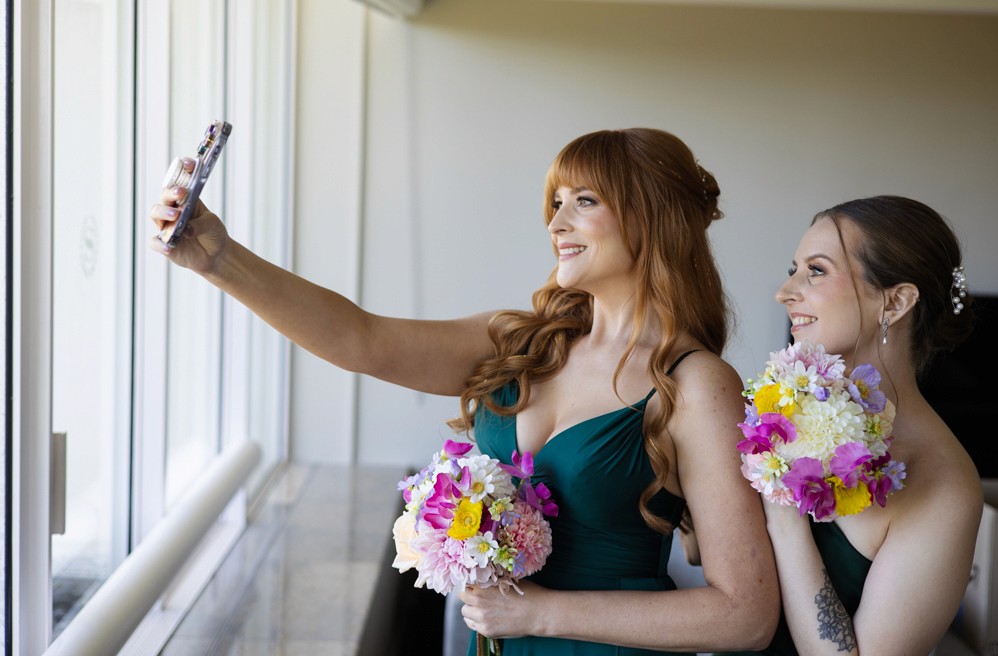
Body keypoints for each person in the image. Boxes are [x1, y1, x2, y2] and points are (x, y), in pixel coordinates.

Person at [150, 127, 780, 655]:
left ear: (652, 215)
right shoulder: (521, 343)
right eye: (555, 202)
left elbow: (745, 614)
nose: (556, 222)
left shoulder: (697, 383)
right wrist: (221, 260)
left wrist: (542, 615)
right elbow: (359, 339)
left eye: (583, 201)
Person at [700, 195, 983, 656]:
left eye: (816, 270)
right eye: (794, 269)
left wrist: (783, 513)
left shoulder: (945, 484)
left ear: (895, 302)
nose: (784, 292)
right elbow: (701, 556)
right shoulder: (779, 406)